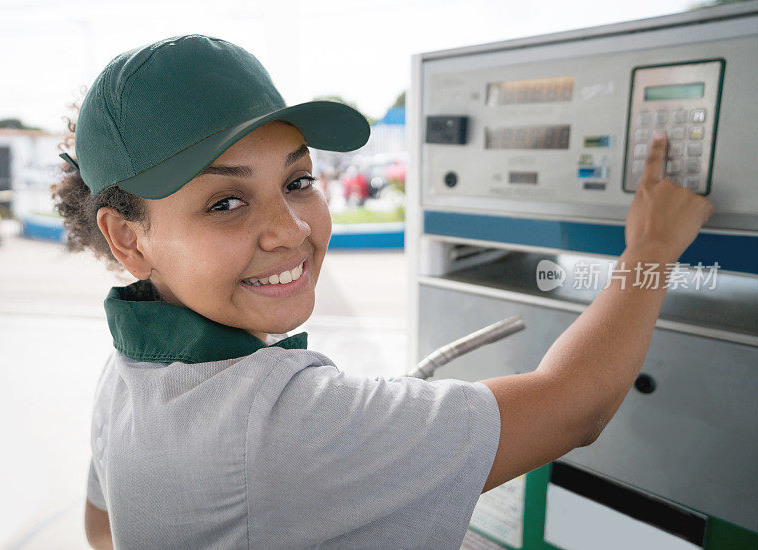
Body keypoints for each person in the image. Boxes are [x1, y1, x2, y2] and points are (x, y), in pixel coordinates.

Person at [51, 34, 713, 549]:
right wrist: (650, 251)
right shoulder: (288, 426)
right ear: (128, 239)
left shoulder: (130, 374)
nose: (289, 230)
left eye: (298, 181)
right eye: (226, 202)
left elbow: (103, 530)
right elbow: (578, 405)